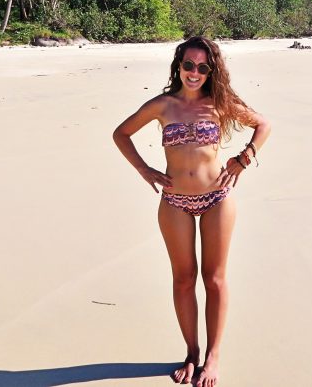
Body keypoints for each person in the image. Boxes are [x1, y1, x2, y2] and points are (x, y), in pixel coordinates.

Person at [112, 36, 271, 387]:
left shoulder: (220, 103)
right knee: (184, 280)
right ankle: (192, 352)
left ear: (211, 70)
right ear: (178, 66)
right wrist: (144, 170)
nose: (194, 73)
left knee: (214, 280)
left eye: (202, 67)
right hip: (174, 202)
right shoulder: (163, 105)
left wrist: (243, 159)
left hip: (217, 198)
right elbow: (121, 134)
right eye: (188, 65)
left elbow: (263, 125)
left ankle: (213, 357)